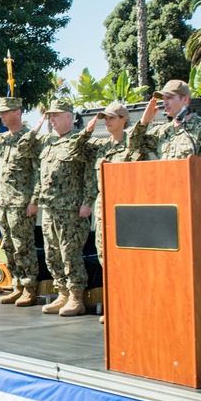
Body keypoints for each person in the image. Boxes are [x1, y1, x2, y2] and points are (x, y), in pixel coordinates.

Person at [0, 96, 43, 307]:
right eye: (0, 112)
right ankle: (17, 285)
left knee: (23, 246)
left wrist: (34, 200)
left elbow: (39, 172)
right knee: (9, 245)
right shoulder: (3, 139)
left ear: (18, 112)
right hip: (4, 202)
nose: (2, 115)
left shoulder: (31, 139)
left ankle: (29, 287)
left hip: (22, 202)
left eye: (6, 112)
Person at [34, 100, 97, 317]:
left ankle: (76, 297)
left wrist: (87, 202)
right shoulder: (49, 143)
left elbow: (90, 174)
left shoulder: (80, 141)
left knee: (70, 254)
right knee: (52, 254)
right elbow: (41, 176)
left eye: (56, 115)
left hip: (71, 210)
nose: (51, 119)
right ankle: (62, 292)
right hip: (50, 208)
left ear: (69, 116)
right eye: (50, 116)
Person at [77, 102, 132, 324]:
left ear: (123, 119)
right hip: (103, 208)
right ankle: (113, 303)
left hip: (125, 209)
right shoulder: (101, 147)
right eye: (105, 118)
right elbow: (76, 149)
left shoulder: (133, 145)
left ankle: (127, 304)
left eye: (112, 117)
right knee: (104, 257)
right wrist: (88, 130)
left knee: (125, 259)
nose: (107, 121)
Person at [125, 80, 201, 167]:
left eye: (169, 98)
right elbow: (133, 146)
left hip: (194, 189)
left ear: (185, 99)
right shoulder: (162, 131)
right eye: (163, 99)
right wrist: (144, 121)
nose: (165, 102)